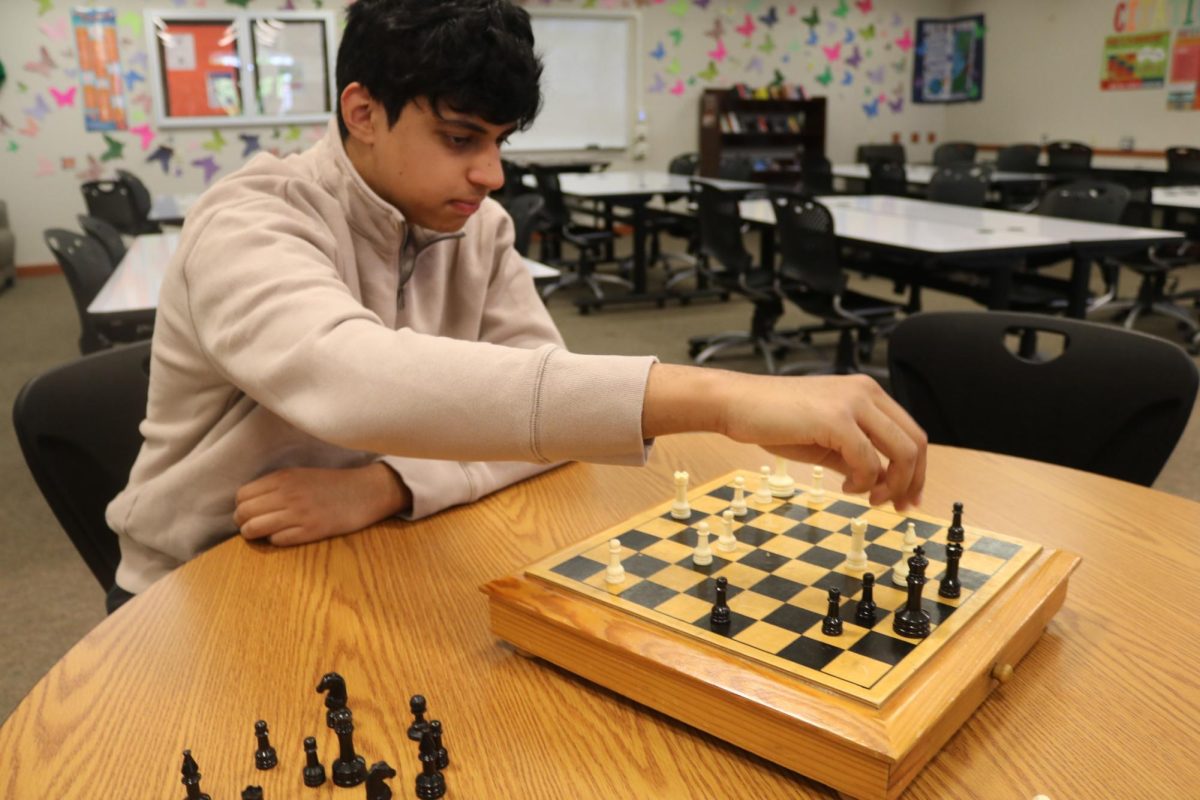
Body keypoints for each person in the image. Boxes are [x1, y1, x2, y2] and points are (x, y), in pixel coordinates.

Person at [104, 0, 925, 613]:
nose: (492, 175)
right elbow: (353, 380)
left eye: (501, 142)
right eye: (461, 140)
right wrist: (721, 396)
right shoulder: (250, 219)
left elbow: (546, 423)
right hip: (193, 586)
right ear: (362, 113)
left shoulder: (480, 228)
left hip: (390, 546)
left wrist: (387, 485)